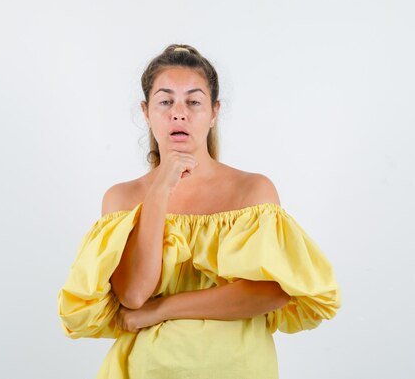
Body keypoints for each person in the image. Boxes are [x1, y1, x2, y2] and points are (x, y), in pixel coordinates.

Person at [57, 44, 342, 379]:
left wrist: (160, 310)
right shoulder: (121, 198)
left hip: (240, 370)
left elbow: (273, 292)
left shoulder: (252, 190)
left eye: (193, 101)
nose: (179, 113)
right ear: (146, 112)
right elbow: (134, 295)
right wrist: (160, 190)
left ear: (214, 112)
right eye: (166, 101)